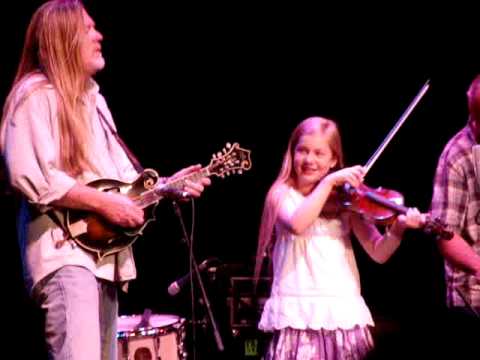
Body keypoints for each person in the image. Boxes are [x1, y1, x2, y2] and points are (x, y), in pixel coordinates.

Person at [0, 1, 210, 359]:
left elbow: (121, 181)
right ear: (64, 38)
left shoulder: (94, 101)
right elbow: (32, 176)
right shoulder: (36, 95)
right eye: (89, 28)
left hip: (104, 256)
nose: (100, 35)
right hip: (64, 251)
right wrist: (105, 203)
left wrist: (168, 186)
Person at [254, 116, 425, 359]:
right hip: (297, 313)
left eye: (319, 153)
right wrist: (330, 181)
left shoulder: (347, 201)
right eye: (302, 150)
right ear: (292, 153)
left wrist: (398, 230)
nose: (309, 159)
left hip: (342, 313)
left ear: (333, 159)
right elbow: (298, 223)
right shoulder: (281, 194)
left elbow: (378, 252)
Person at [430, 75, 480, 355]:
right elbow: (444, 234)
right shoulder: (457, 155)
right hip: (473, 298)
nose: (473, 126)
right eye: (473, 118)